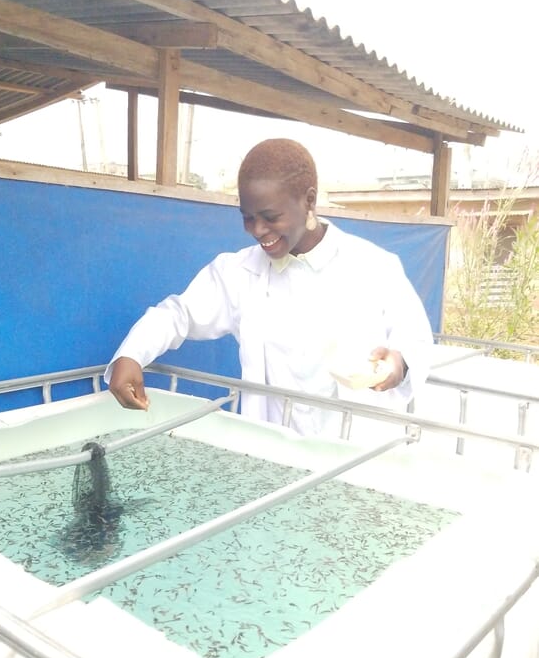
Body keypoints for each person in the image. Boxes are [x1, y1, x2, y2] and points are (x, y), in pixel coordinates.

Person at [105, 138, 433, 437]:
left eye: (270, 216)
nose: (257, 230)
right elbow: (177, 314)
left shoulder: (374, 267)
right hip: (274, 457)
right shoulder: (238, 273)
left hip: (353, 456)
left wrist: (397, 364)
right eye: (247, 217)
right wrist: (132, 354)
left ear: (309, 200)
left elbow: (414, 338)